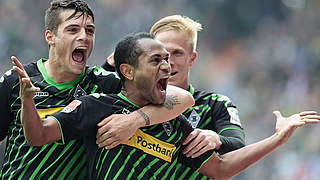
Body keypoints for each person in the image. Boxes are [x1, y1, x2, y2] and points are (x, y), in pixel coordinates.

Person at [15, 32, 320, 180]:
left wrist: (278, 139)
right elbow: (38, 135)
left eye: (170, 58)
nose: (167, 66)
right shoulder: (96, 106)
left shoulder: (178, 122)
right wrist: (28, 101)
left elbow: (221, 168)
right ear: (128, 71)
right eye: (157, 60)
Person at [0, 1, 194, 179]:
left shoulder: (103, 85)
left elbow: (183, 98)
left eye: (90, 31)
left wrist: (135, 120)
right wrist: (26, 99)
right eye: (73, 30)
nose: (83, 37)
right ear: (50, 37)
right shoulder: (16, 80)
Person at [100, 14, 246, 179]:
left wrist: (217, 138)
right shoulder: (129, 97)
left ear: (192, 59)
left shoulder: (214, 104)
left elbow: (237, 144)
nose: (168, 63)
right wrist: (109, 65)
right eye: (159, 55)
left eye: (177, 53)